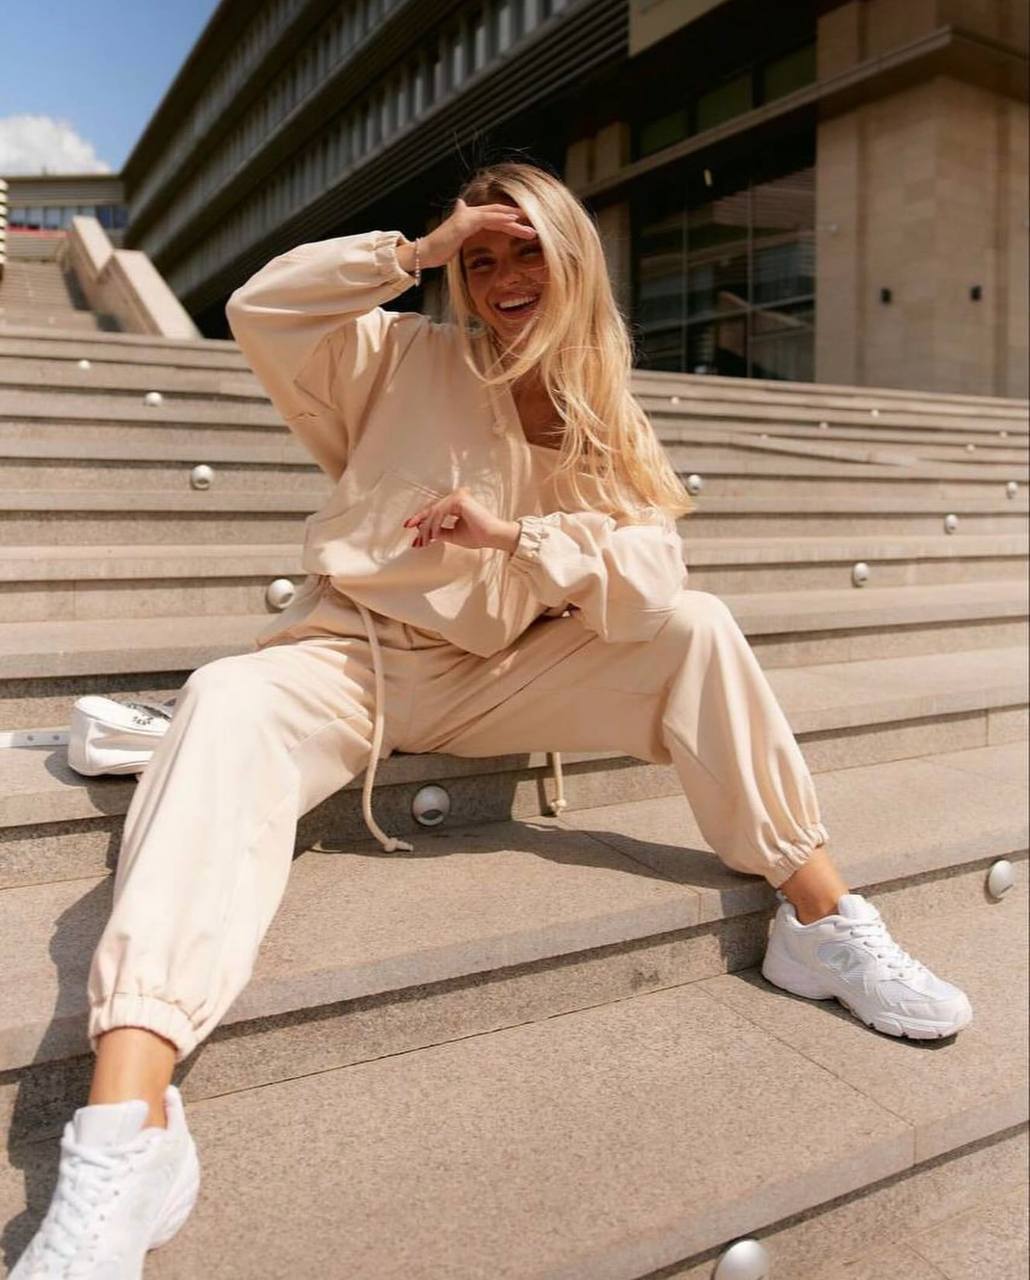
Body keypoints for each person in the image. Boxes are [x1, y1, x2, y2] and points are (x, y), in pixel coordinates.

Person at [9, 160, 972, 1277]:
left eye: (525, 250)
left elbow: (653, 579)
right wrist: (415, 251)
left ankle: (820, 920)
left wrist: (514, 538)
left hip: (510, 677)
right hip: (350, 663)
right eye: (482, 257)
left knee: (698, 625)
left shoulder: (606, 412)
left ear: (570, 259)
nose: (504, 274)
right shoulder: (395, 355)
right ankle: (129, 1131)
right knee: (227, 697)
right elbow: (256, 306)